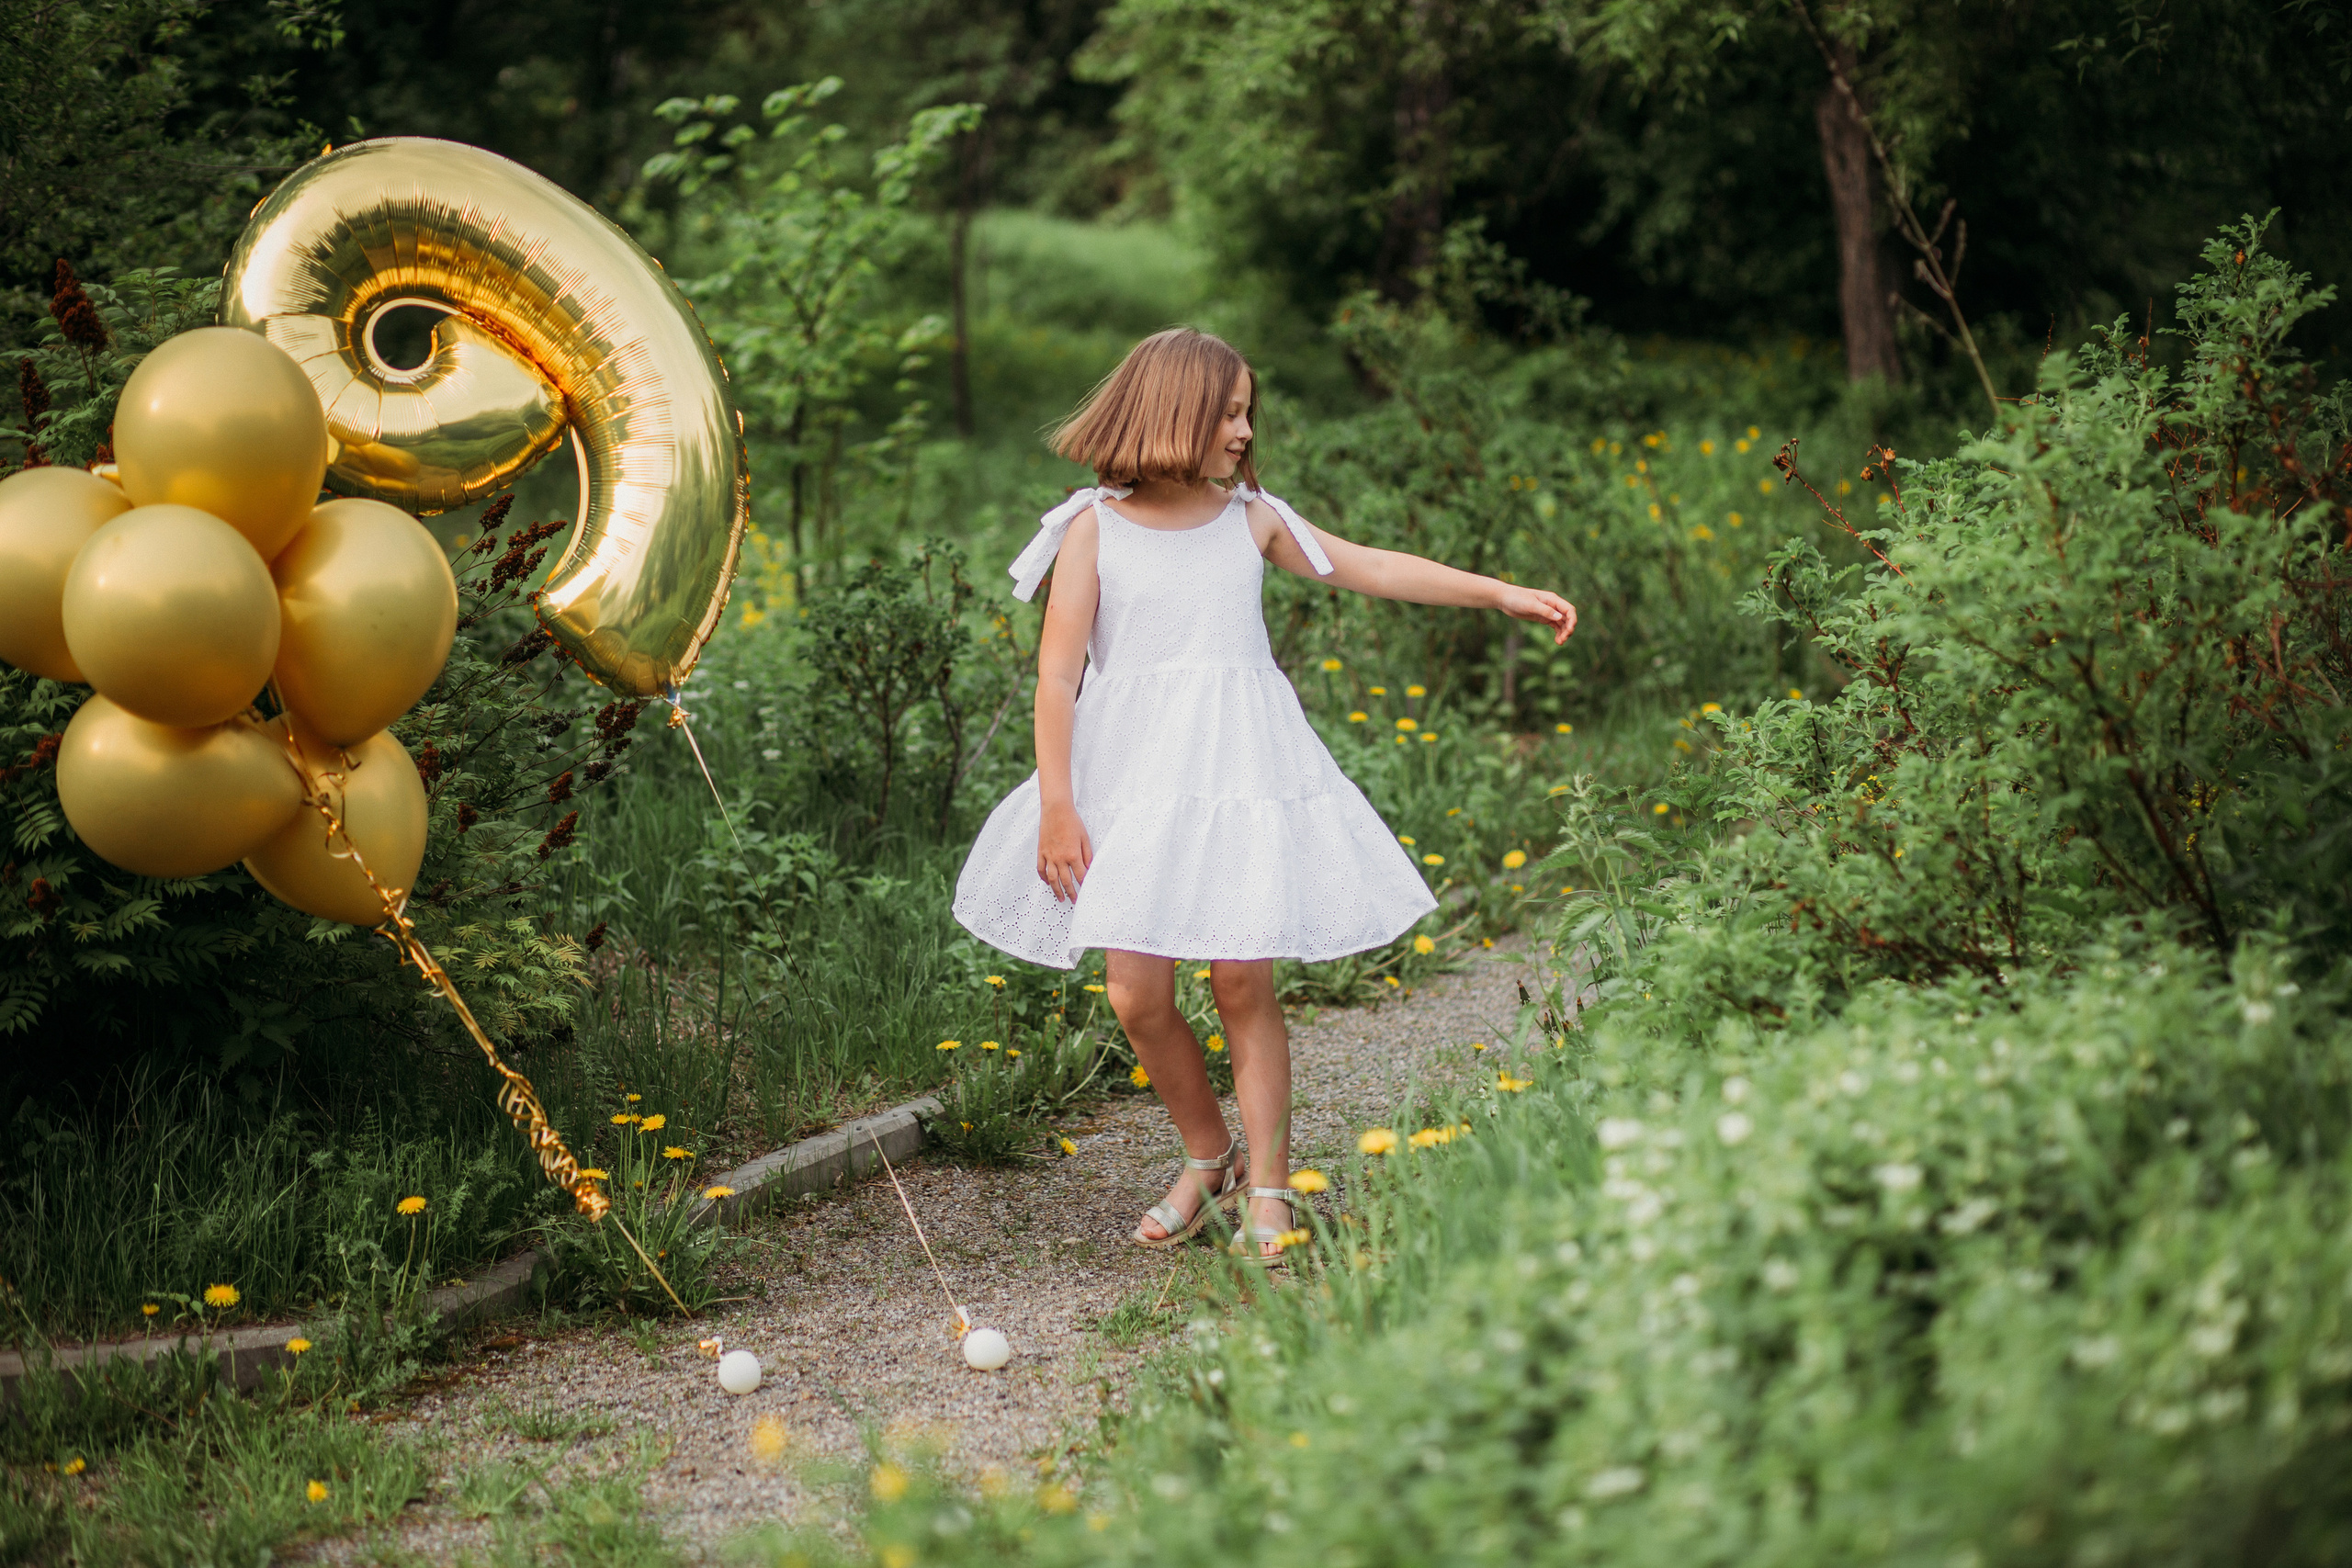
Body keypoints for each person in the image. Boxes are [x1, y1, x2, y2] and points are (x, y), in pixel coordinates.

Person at [952, 328, 1576, 1260]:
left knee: (1242, 977)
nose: (1243, 430)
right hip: (1131, 780)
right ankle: (1210, 1155)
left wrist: (1496, 592)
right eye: (1227, 412)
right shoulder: (1092, 527)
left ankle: (1271, 1186)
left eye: (1248, 412)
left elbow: (1367, 564)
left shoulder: (1250, 518)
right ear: (1173, 415)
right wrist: (1056, 804)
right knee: (1134, 993)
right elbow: (1055, 679)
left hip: (1239, 771)